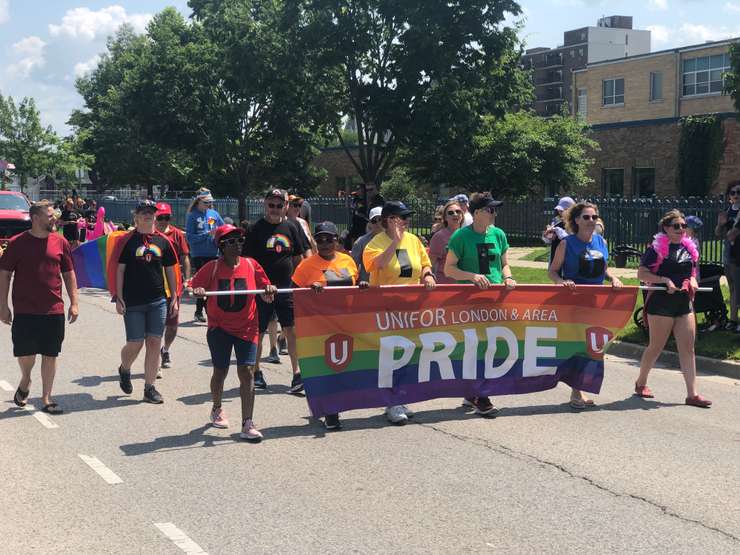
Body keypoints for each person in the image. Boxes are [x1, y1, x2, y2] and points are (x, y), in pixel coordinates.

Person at [192, 224, 276, 442]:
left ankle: (247, 423)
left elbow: (266, 291)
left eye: (240, 240)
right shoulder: (211, 267)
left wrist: (269, 291)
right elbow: (193, 287)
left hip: (247, 327)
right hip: (219, 328)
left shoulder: (251, 264)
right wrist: (198, 291)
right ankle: (217, 407)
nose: (237, 245)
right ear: (221, 246)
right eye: (231, 241)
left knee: (247, 371)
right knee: (220, 371)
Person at [0, 201, 79, 414]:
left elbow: (69, 274)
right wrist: (3, 305)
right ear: (36, 218)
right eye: (50, 215)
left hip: (53, 309)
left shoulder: (61, 242)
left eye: (55, 214)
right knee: (26, 355)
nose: (55, 218)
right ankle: (25, 380)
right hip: (25, 309)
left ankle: (46, 398)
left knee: (50, 354)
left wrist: (74, 303)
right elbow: (5, 274)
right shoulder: (17, 243)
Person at [363, 201, 436, 424]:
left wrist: (428, 275)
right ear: (389, 220)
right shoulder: (376, 242)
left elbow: (424, 264)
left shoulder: (414, 241)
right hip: (386, 308)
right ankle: (391, 401)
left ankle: (401, 396)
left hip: (411, 307)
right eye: (401, 218)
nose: (406, 222)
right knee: (390, 354)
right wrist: (394, 240)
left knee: (408, 352)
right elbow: (378, 265)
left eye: (406, 218)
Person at [444, 193, 514, 416]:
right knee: (476, 346)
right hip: (469, 301)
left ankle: (471, 392)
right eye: (490, 210)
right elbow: (449, 269)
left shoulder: (499, 234)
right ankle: (479, 395)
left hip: (494, 299)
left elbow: (504, 264)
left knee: (491, 346)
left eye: (495, 209)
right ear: (476, 213)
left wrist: (508, 278)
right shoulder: (461, 237)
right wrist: (472, 276)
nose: (494, 213)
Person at [548, 202, 623, 409]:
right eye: (586, 217)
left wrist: (613, 278)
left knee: (593, 347)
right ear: (576, 221)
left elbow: (604, 270)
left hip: (596, 303)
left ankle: (578, 387)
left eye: (594, 217)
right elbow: (553, 271)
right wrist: (560, 282)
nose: (591, 221)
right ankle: (576, 391)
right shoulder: (566, 243)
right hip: (574, 302)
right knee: (579, 344)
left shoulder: (601, 241)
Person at [292, 221, 367, 430]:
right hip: (319, 326)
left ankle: (326, 404)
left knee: (345, 368)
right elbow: (293, 295)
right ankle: (331, 411)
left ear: (337, 241)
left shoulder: (348, 261)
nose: (324, 243)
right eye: (320, 239)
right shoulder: (306, 266)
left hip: (346, 324)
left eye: (329, 239)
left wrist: (362, 286)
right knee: (327, 368)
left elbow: (356, 286)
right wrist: (310, 291)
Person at [634, 210, 711, 407]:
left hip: (683, 302)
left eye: (683, 226)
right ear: (666, 228)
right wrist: (663, 280)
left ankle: (692, 394)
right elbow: (641, 273)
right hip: (661, 303)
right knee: (656, 347)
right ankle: (641, 382)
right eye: (676, 226)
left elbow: (692, 270)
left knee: (688, 348)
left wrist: (693, 280)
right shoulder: (656, 248)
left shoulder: (689, 248)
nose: (681, 229)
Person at [242, 188, 310, 392]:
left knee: (292, 330)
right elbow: (248, 263)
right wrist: (260, 287)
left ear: (285, 207)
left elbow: (299, 257)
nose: (275, 209)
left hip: (286, 288)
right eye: (271, 205)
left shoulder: (292, 227)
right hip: (261, 290)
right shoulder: (255, 229)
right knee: (259, 331)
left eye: (279, 205)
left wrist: (303, 281)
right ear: (265, 205)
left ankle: (297, 374)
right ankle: (256, 372)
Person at [114, 200, 180, 404]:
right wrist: (119, 297)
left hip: (158, 301)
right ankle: (125, 368)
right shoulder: (127, 241)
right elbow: (120, 270)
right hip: (132, 301)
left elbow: (170, 269)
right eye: (143, 213)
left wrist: (175, 297)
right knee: (135, 343)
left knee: (154, 342)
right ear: (136, 217)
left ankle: (149, 388)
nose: (148, 216)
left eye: (151, 213)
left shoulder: (163, 241)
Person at [154, 202, 192, 374]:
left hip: (173, 284)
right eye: (160, 217)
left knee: (173, 325)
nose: (163, 221)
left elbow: (185, 257)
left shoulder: (176, 234)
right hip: (154, 284)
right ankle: (155, 362)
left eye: (166, 217)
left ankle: (165, 350)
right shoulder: (149, 235)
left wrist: (187, 278)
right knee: (157, 326)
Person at [186, 188, 224, 322]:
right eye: (206, 202)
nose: (208, 205)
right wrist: (207, 235)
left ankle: (202, 311)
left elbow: (223, 229)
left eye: (210, 202)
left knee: (212, 283)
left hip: (213, 253)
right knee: (203, 283)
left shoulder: (214, 214)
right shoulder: (192, 216)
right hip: (199, 254)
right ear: (199, 201)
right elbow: (190, 238)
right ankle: (203, 311)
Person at [714, 181, 740, 330]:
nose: (736, 195)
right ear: (729, 196)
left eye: (739, 192)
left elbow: (731, 235)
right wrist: (720, 224)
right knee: (731, 286)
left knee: (737, 286)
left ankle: (734, 320)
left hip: (738, 253)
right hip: (728, 252)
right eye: (733, 193)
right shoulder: (727, 211)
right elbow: (718, 234)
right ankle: (733, 318)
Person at [429, 199, 464, 284]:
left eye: (458, 211)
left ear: (462, 215)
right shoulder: (438, 237)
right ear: (445, 218)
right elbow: (430, 264)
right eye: (451, 213)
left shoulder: (468, 235)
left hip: (466, 284)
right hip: (445, 285)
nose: (455, 214)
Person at [351, 206, 383, 282]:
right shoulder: (360, 242)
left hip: (389, 284)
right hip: (368, 286)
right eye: (374, 221)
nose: (378, 223)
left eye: (380, 219)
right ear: (369, 223)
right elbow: (353, 266)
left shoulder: (393, 240)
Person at [542, 196, 575, 263]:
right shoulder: (556, 220)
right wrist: (547, 236)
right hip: (555, 255)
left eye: (563, 210)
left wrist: (558, 231)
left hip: (569, 256)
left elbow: (572, 240)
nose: (560, 212)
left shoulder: (575, 222)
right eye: (559, 210)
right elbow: (548, 241)